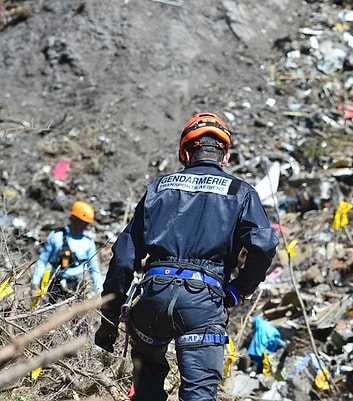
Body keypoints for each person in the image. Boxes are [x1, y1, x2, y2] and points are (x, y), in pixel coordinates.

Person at [94, 112, 279, 401]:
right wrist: (237, 291)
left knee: (146, 387)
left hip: (151, 297)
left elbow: (124, 255)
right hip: (202, 305)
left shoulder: (159, 188)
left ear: (185, 152)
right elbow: (264, 245)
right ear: (224, 155)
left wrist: (109, 317)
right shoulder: (240, 192)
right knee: (198, 393)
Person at [31, 200, 102, 303]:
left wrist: (98, 291)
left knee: (76, 317)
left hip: (76, 285)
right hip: (55, 282)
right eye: (82, 223)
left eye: (86, 224)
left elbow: (94, 268)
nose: (85, 227)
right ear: (73, 219)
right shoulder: (56, 236)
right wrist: (35, 284)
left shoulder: (88, 243)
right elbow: (43, 260)